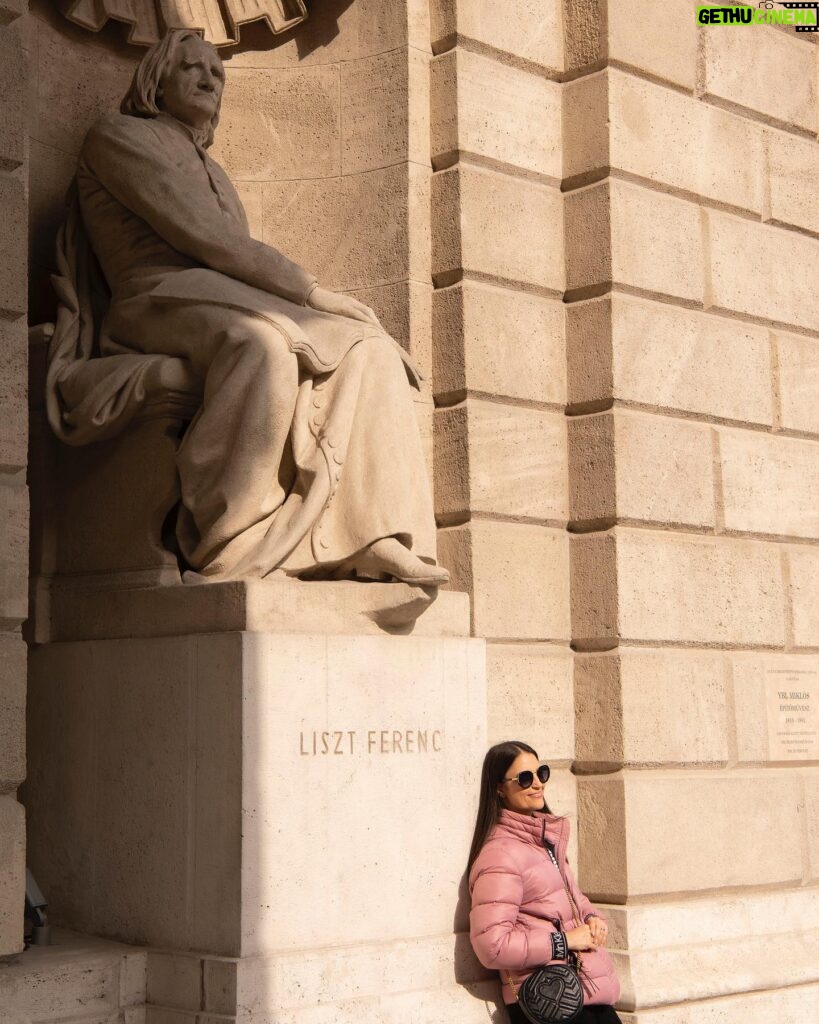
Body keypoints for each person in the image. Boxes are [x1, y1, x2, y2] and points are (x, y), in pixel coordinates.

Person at [46, 29, 449, 587]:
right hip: (152, 301)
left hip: (220, 299)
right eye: (194, 68)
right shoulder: (119, 137)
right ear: (155, 81)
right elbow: (207, 237)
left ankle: (375, 533)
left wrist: (325, 310)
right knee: (265, 343)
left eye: (219, 72)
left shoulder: (217, 172)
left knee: (370, 346)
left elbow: (227, 256)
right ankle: (229, 540)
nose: (211, 78)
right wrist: (314, 294)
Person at [468, 741, 621, 1024]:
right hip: (548, 1001)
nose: (537, 784)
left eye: (542, 773)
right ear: (500, 788)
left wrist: (591, 917)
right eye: (525, 779)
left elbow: (570, 897)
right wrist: (563, 942)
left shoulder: (546, 842)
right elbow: (493, 946)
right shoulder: (500, 855)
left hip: (583, 992)